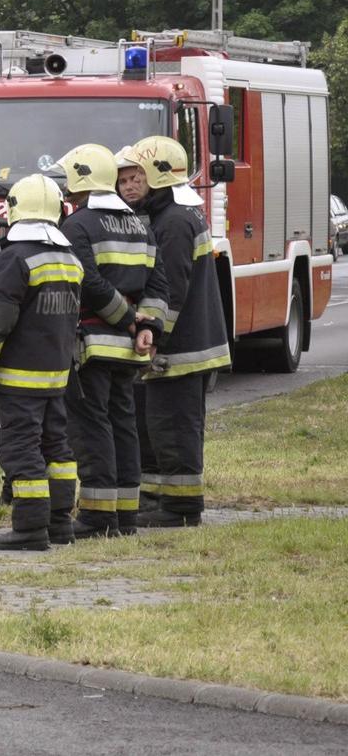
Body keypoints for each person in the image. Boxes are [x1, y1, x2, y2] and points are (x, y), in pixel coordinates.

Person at [0, 174, 82, 551]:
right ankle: (60, 522)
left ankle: (30, 527)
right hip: (57, 374)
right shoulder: (68, 257)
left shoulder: (14, 257)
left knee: (20, 448)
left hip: (20, 377)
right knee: (57, 447)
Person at [127, 135, 230, 527]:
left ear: (157, 176)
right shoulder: (176, 214)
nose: (132, 183)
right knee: (159, 427)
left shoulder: (172, 222)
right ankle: (156, 498)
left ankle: (182, 508)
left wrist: (154, 339)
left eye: (139, 175)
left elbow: (170, 292)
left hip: (182, 350)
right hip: (185, 346)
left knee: (175, 429)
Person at [56, 144, 158, 539]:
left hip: (93, 344)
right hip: (130, 349)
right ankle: (126, 515)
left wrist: (129, 319)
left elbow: (88, 282)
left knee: (91, 427)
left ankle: (98, 517)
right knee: (124, 424)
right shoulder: (139, 223)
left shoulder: (77, 226)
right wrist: (148, 327)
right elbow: (158, 280)